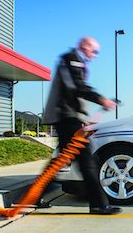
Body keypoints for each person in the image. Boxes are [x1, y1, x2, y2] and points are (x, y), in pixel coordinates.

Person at [42, 37, 121, 215]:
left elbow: (77, 90)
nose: (95, 55)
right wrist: (101, 100)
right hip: (66, 117)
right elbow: (77, 87)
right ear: (85, 46)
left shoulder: (73, 60)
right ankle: (99, 204)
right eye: (94, 51)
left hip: (69, 117)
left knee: (61, 160)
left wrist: (84, 116)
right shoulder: (71, 59)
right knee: (87, 161)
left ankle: (34, 196)